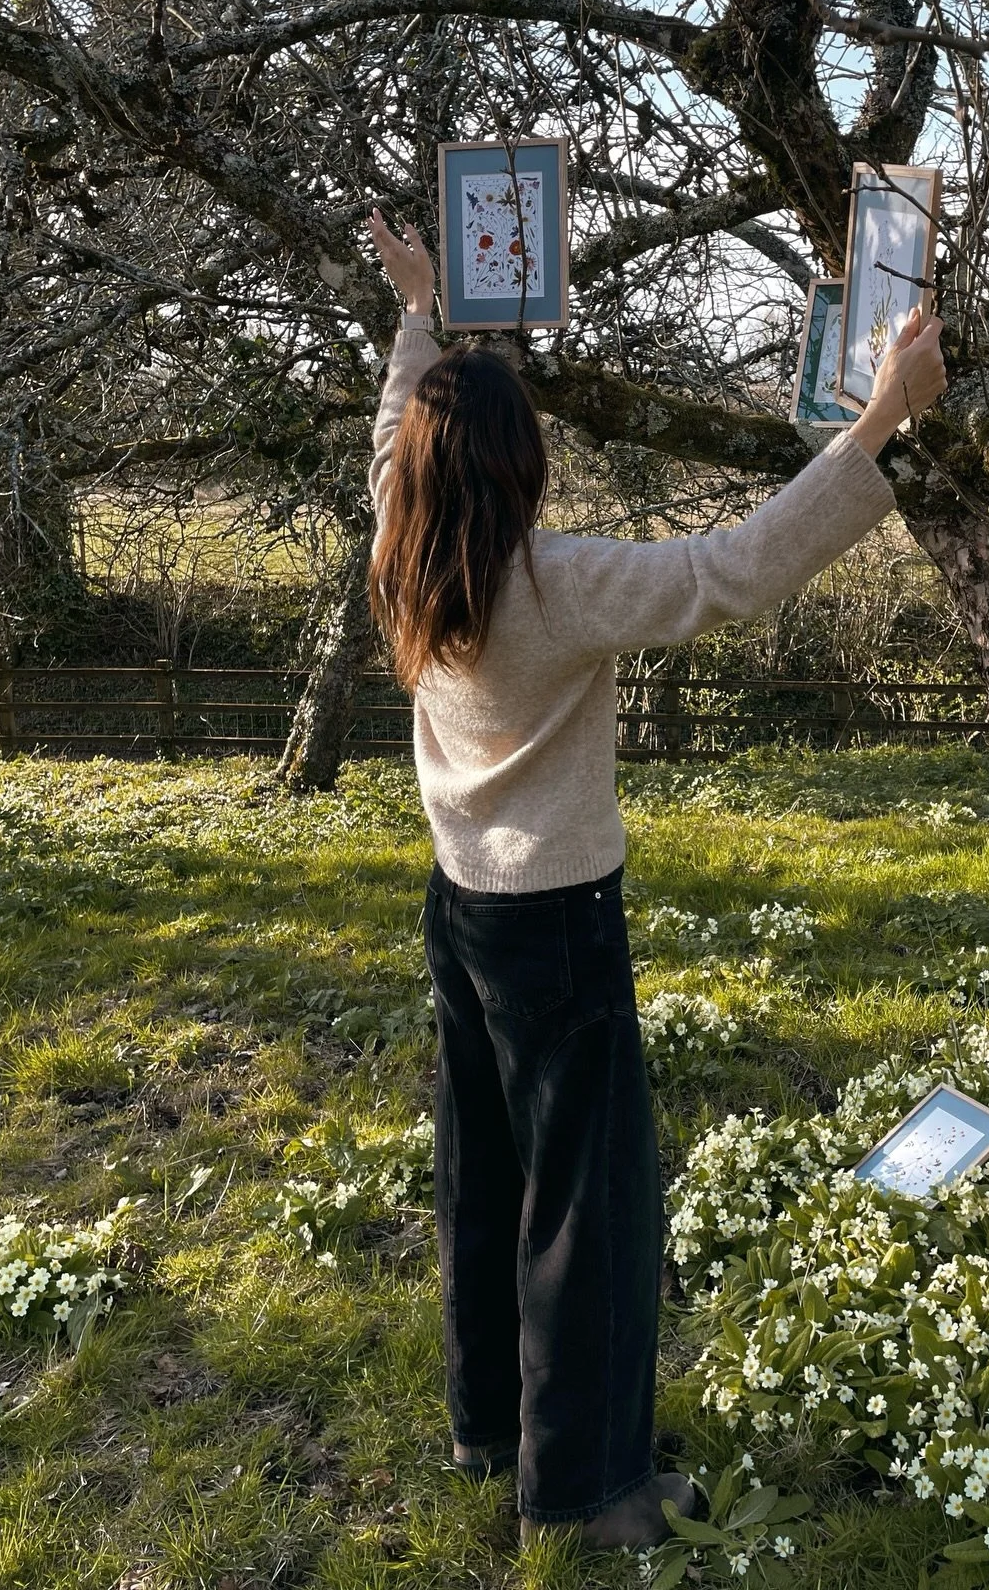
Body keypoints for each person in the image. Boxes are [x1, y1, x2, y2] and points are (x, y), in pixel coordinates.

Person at [364, 208, 947, 1552]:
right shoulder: (548, 582)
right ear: (519, 466)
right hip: (556, 926)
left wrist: (416, 318)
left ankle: (490, 1428)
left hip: (460, 910)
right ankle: (592, 1488)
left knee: (486, 1176)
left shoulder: (404, 543)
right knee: (594, 1208)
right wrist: (874, 429)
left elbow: (395, 433)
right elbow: (727, 574)